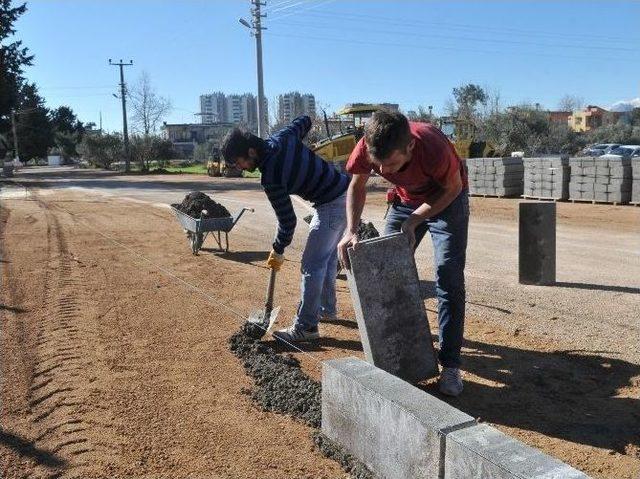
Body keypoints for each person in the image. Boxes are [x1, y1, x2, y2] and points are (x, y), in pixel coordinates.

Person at [337, 110, 469, 397]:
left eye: (392, 165)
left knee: (448, 275)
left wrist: (414, 220)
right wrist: (350, 229)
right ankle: (396, 357)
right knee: (385, 271)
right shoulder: (368, 144)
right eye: (379, 166)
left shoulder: (434, 147)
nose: (385, 172)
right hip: (404, 201)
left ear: (409, 147)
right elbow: (357, 184)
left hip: (447, 201)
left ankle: (450, 365)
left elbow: (453, 188)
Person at [221, 116, 349, 342]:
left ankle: (307, 327)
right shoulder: (284, 137)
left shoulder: (270, 177)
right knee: (326, 258)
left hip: (331, 204)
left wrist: (278, 249)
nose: (240, 168)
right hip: (345, 194)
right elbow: (306, 120)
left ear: (251, 152)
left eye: (238, 162)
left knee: (312, 264)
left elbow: (288, 221)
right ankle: (327, 310)